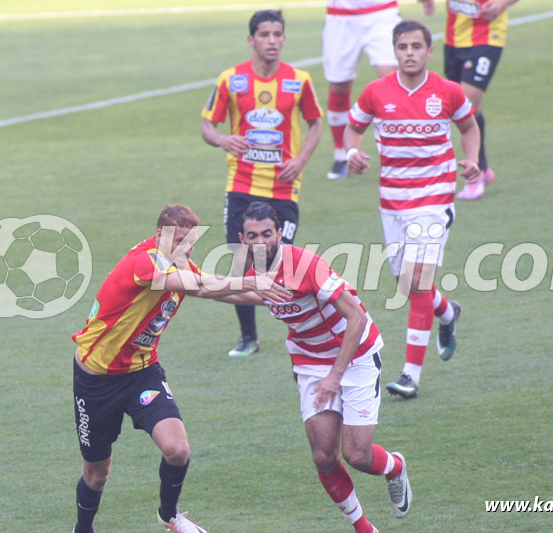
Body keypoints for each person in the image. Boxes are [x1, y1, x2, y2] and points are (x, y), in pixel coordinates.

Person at [71, 204, 290, 533]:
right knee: (97, 474)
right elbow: (200, 287)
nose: (187, 249)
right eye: (181, 242)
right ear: (160, 235)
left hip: (142, 372)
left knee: (177, 449)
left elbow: (216, 292)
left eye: (192, 243)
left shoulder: (177, 260)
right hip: (96, 381)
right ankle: (82, 528)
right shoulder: (144, 263)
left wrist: (283, 298)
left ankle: (169, 516)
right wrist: (255, 281)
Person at [224, 201, 412, 533]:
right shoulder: (251, 272)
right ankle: (363, 528)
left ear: (280, 234)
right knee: (324, 456)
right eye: (251, 236)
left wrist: (335, 377)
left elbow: (355, 317)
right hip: (310, 361)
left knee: (357, 455)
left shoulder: (305, 265)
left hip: (355, 357)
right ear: (242, 238)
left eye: (267, 234)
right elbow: (230, 293)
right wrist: (177, 282)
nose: (260, 242)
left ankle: (395, 467)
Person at [343, 20, 480, 399]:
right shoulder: (376, 92)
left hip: (434, 199)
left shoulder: (447, 92)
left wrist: (471, 161)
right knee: (408, 284)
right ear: (395, 50)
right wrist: (352, 152)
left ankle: (410, 376)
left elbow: (469, 127)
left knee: (417, 282)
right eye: (402, 46)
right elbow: (352, 128)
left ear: (428, 51)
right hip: (392, 202)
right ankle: (448, 312)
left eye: (416, 46)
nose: (409, 53)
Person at [201, 9, 323, 358]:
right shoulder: (231, 79)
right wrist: (223, 140)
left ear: (284, 39)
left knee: (280, 263)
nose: (272, 41)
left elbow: (315, 124)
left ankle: (305, 327)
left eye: (277, 34)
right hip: (240, 182)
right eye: (265, 35)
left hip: (284, 187)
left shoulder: (299, 80)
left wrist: (300, 160)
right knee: (241, 264)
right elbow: (208, 126)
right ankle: (248, 338)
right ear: (251, 39)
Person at [420, 0, 519, 200]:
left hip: (487, 38)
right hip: (454, 40)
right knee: (461, 107)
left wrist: (501, 4)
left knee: (468, 105)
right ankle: (484, 169)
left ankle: (476, 175)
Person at [322, 0, 402, 180]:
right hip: (341, 17)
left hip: (382, 13)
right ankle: (342, 155)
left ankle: (399, 151)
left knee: (391, 80)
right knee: (339, 85)